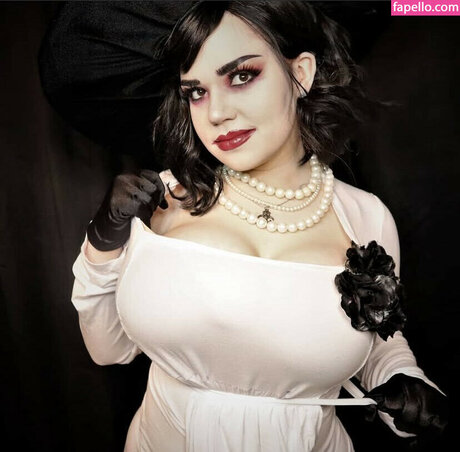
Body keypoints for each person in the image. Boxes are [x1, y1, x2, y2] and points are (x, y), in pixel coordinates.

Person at [43, 2, 448, 451]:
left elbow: (374, 338)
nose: (215, 113)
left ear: (301, 73)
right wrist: (105, 237)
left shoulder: (366, 217)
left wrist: (404, 379)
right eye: (196, 91)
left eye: (240, 76)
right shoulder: (160, 202)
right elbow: (108, 349)